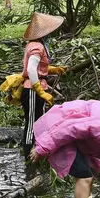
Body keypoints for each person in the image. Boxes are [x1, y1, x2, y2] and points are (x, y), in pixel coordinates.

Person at [20, 12, 67, 159]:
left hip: (36, 86)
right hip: (32, 90)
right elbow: (30, 70)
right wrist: (39, 91)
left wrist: (53, 69)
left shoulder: (36, 44)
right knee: (32, 122)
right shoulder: (37, 47)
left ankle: (37, 151)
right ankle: (28, 154)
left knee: (39, 120)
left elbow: (38, 67)